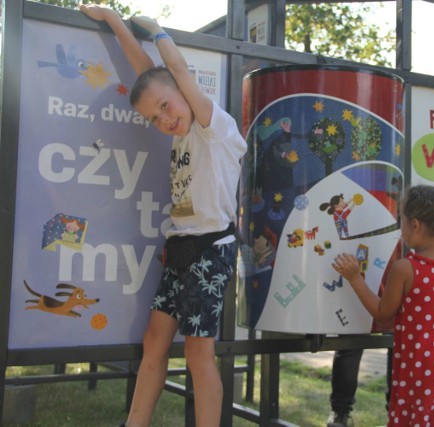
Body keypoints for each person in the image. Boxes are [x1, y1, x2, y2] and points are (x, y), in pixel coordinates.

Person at [80, 5, 247, 427]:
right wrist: (115, 21)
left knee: (197, 351)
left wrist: (158, 31)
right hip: (180, 247)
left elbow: (172, 72)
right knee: (154, 341)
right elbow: (149, 78)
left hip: (212, 248)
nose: (164, 119)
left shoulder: (213, 125)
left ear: (183, 91)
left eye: (167, 108)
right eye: (154, 119)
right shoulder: (176, 118)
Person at [332, 185, 434, 426]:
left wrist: (355, 278)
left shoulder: (405, 268)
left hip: (422, 369)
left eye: (402, 220)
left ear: (415, 225)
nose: (401, 227)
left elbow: (382, 312)